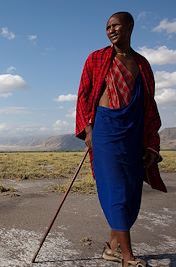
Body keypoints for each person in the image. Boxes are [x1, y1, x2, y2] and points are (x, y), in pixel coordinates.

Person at [75, 11, 165, 267]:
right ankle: (128, 257)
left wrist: (150, 143)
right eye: (107, 27)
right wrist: (89, 131)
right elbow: (83, 96)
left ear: (130, 27)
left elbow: (149, 105)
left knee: (131, 192)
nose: (111, 30)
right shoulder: (96, 59)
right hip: (105, 132)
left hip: (133, 133)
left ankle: (113, 248)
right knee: (115, 190)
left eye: (116, 26)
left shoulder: (143, 64)